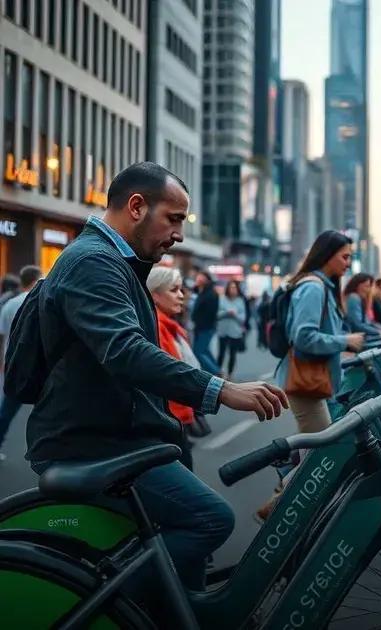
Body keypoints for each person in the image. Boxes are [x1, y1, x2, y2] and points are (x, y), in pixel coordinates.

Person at [18, 162, 287, 596]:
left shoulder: (118, 262)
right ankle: (102, 594)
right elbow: (124, 351)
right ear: (137, 206)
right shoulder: (93, 262)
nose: (179, 232)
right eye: (174, 218)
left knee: (191, 574)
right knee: (211, 519)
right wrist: (221, 390)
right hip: (92, 445)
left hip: (120, 437)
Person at [276, 230, 365, 434]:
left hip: (315, 381)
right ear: (327, 255)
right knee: (319, 453)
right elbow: (304, 337)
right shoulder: (313, 289)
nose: (348, 263)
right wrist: (345, 341)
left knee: (311, 448)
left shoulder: (323, 287)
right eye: (344, 257)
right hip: (306, 383)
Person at [146, 266, 202, 470]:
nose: (181, 296)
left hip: (176, 417)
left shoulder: (171, 326)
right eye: (174, 290)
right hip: (168, 419)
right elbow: (171, 374)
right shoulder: (156, 327)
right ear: (155, 294)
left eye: (181, 290)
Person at [0, 265, 43, 462]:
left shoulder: (9, 304)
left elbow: (2, 337)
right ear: (34, 280)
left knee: (7, 408)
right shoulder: (39, 299)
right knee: (44, 408)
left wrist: (3, 361)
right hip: (36, 363)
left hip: (14, 363)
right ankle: (42, 453)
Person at [191, 270, 221, 374]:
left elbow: (211, 313)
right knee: (205, 351)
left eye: (202, 277)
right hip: (200, 327)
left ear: (207, 280)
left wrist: (201, 324)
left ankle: (215, 372)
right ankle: (216, 371)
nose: (198, 278)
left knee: (198, 352)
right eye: (198, 276)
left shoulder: (211, 294)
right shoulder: (200, 291)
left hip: (206, 327)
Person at [216, 280, 248, 378]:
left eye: (234, 287)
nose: (233, 289)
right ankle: (218, 373)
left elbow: (243, 319)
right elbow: (217, 315)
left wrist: (235, 315)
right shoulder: (222, 299)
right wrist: (226, 312)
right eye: (231, 287)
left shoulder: (240, 301)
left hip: (235, 332)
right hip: (223, 331)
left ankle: (230, 374)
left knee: (232, 354)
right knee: (221, 353)